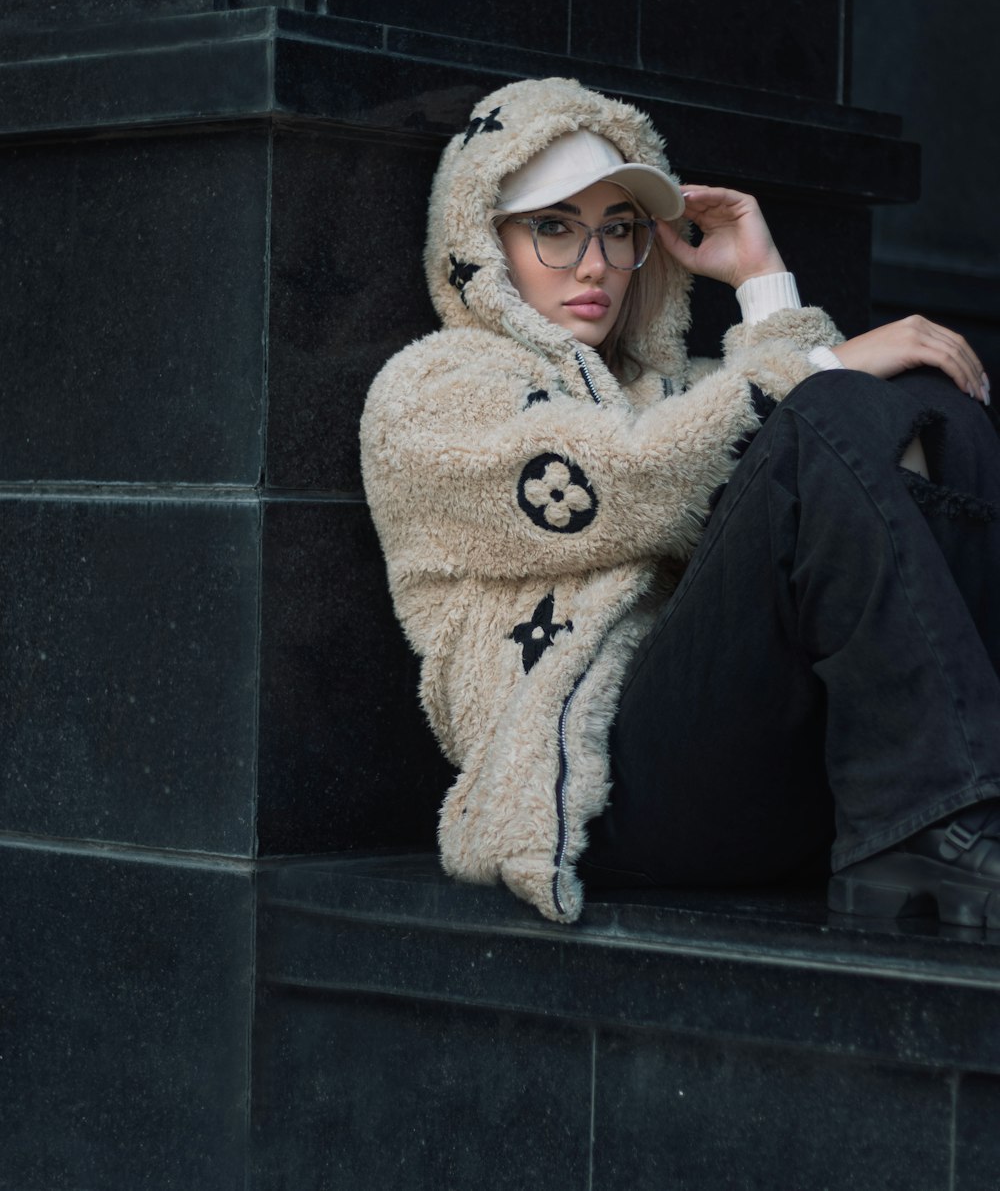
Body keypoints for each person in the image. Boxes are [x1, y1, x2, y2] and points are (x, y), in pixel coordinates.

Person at [360, 76, 1000, 926]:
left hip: (758, 780)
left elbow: (801, 428)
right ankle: (942, 816)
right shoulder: (429, 390)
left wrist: (763, 277)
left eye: (619, 232)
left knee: (937, 409)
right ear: (483, 243)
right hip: (599, 793)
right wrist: (823, 370)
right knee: (830, 404)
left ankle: (940, 814)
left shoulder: (675, 390)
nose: (593, 264)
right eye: (553, 228)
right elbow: (625, 478)